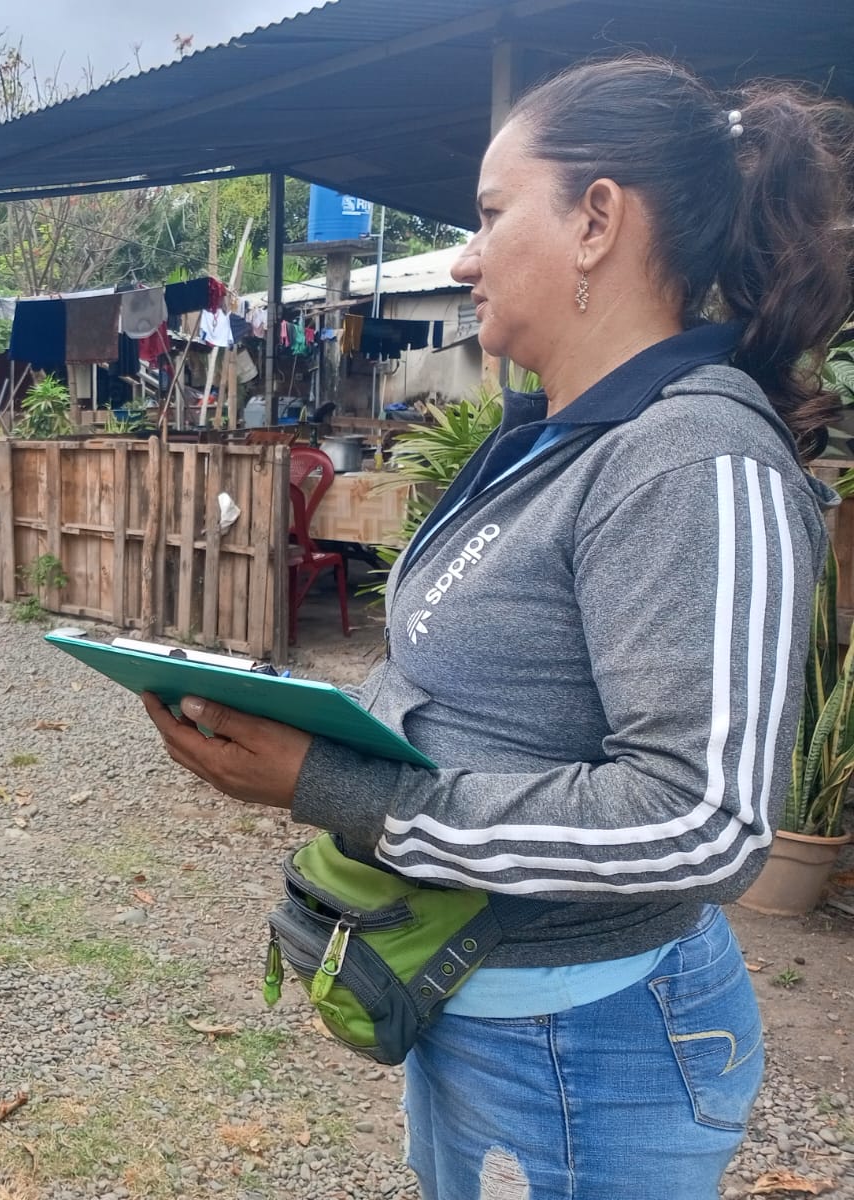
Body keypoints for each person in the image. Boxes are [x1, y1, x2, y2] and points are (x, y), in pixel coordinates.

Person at [145, 56, 852, 1199]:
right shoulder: (553, 439)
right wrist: (301, 727)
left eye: (486, 215)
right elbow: (473, 690)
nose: (464, 258)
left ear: (596, 222)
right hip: (483, 1001)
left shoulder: (691, 459)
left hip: (590, 1048)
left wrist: (336, 787)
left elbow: (702, 822)